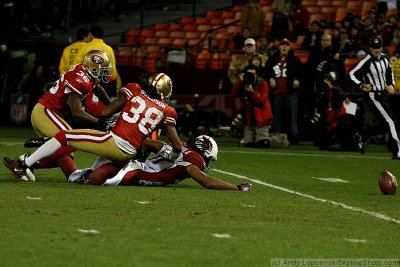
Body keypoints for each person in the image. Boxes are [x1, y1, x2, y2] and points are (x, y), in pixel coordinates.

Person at [3, 73, 183, 181]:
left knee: (65, 135)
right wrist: (172, 157)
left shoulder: (134, 90)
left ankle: (24, 164)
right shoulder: (167, 111)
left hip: (114, 143)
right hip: (129, 153)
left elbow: (105, 112)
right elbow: (176, 146)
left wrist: (121, 112)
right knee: (83, 174)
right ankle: (43, 161)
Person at [8, 49, 113, 181]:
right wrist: (101, 122)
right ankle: (24, 162)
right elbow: (77, 112)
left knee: (63, 153)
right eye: (103, 70)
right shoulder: (79, 78)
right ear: (93, 69)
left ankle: (73, 176)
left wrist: (111, 107)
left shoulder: (85, 73)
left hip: (49, 113)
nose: (106, 73)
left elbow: (97, 88)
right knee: (74, 140)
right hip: (45, 112)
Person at [68, 135, 252, 191]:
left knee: (75, 175)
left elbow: (147, 142)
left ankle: (62, 158)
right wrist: (235, 187)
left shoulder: (181, 147)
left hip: (134, 165)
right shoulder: (194, 160)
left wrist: (140, 159)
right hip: (136, 173)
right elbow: (207, 182)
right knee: (94, 181)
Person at [349, 36, 400, 159]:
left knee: (388, 123)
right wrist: (361, 85)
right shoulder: (366, 61)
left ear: (382, 47)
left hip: (383, 94)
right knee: (391, 121)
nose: (376, 50)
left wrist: (391, 84)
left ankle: (363, 134)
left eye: (378, 47)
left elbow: (389, 72)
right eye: (374, 48)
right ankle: (397, 151)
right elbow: (352, 74)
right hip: (372, 95)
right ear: (370, 48)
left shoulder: (384, 58)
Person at [231, 64, 288, 148]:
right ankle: (262, 138)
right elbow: (233, 94)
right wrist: (240, 81)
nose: (251, 76)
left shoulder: (262, 83)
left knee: (262, 143)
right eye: (248, 74)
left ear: (257, 74)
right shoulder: (243, 83)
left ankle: (281, 140)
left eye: (253, 74)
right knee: (248, 144)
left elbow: (262, 100)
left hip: (261, 117)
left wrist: (252, 91)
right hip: (249, 119)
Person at [265, 38, 303, 144]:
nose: (284, 47)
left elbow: (301, 73)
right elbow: (266, 72)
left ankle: (294, 138)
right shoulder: (272, 58)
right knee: (276, 117)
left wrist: (297, 79)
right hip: (277, 93)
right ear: (279, 47)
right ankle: (274, 138)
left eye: (286, 45)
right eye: (282, 45)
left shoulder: (295, 59)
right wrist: (270, 78)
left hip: (291, 92)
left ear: (289, 47)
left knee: (292, 118)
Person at [76, 25, 121, 97]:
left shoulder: (84, 47)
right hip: (104, 82)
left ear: (90, 34)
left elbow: (77, 65)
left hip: (88, 82)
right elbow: (112, 69)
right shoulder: (108, 48)